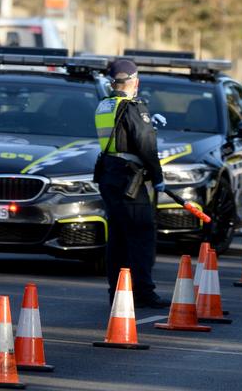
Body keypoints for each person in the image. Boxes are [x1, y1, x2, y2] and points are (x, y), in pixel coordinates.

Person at [94, 58, 168, 309]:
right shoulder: (134, 107)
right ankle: (144, 292)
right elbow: (146, 146)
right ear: (134, 81)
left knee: (118, 237)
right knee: (141, 234)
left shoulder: (104, 105)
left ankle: (117, 291)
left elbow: (122, 136)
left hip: (110, 175)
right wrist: (158, 178)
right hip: (129, 179)